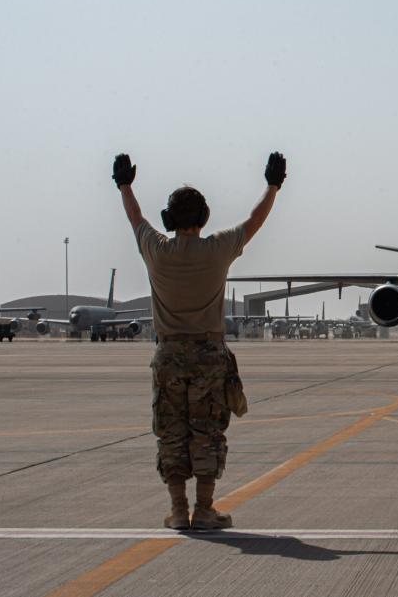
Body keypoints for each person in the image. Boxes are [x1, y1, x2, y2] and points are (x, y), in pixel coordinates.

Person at [114, 151, 286, 529]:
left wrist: (124, 185)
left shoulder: (156, 249)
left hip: (168, 352)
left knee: (171, 431)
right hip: (209, 354)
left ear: (169, 219)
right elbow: (254, 221)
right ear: (204, 218)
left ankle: (178, 511)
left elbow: (135, 217)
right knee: (207, 430)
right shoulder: (217, 250)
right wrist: (272, 186)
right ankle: (204, 508)